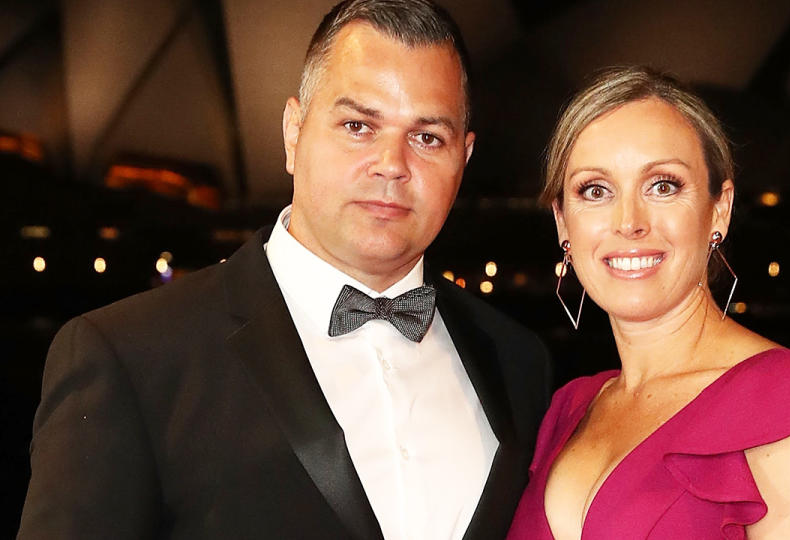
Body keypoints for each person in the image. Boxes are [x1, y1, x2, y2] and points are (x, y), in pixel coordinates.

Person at [18, 1, 551, 538]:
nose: (393, 163)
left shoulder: (519, 362)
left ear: (465, 156)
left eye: (427, 137)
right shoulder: (129, 356)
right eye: (358, 125)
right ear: (293, 131)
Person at [507, 67, 790, 539]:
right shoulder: (566, 411)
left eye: (663, 186)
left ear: (720, 209)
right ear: (563, 222)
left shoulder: (786, 407)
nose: (629, 222)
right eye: (596, 190)